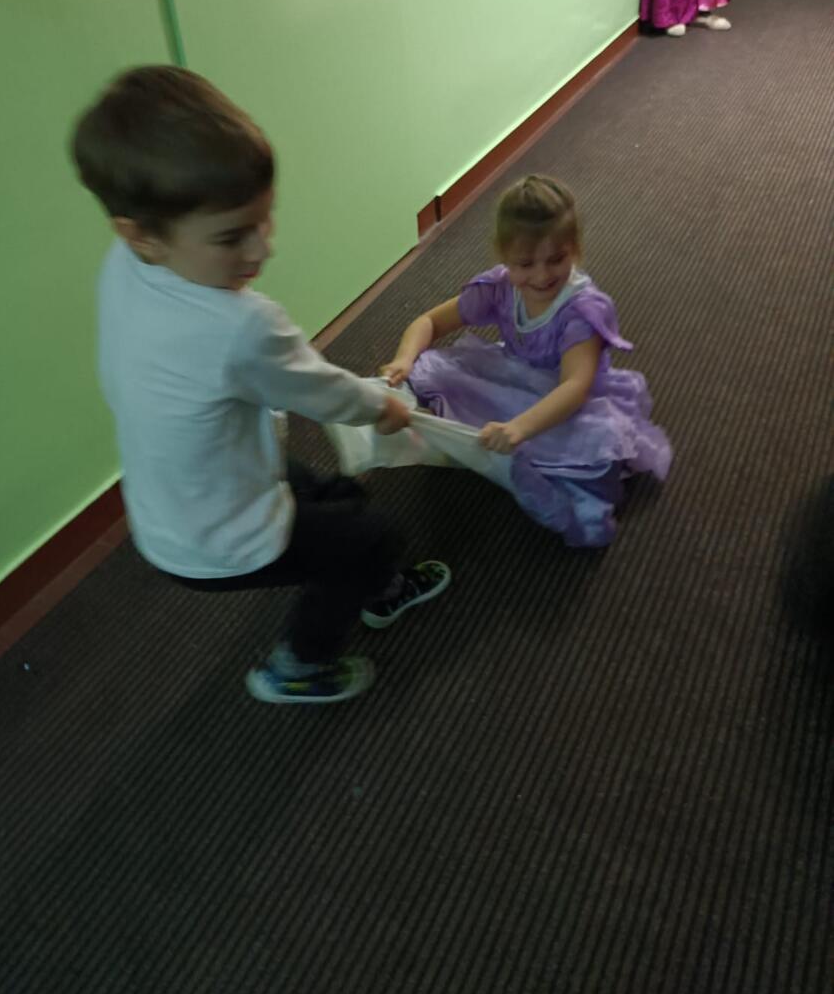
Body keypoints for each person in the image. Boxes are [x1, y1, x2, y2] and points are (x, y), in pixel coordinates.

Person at [71, 65, 451, 706]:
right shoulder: (240, 324)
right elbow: (322, 391)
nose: (260, 250)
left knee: (336, 496)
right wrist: (381, 408)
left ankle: (361, 574)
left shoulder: (124, 264)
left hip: (176, 501)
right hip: (221, 537)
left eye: (264, 219)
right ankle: (299, 665)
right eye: (231, 237)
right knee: (376, 539)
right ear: (143, 235)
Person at [381, 176, 672, 548]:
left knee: (585, 473)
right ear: (503, 257)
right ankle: (472, 438)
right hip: (513, 376)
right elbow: (429, 322)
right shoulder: (499, 287)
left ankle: (491, 442)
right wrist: (404, 359)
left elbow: (574, 387)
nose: (542, 275)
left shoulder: (582, 310)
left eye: (556, 259)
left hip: (563, 401)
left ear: (575, 249)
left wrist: (520, 428)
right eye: (525, 263)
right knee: (428, 372)